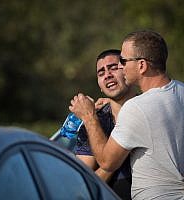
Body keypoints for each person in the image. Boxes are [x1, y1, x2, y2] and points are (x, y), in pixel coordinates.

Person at [69, 30, 184, 199]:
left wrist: (88, 116)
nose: (119, 68)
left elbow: (107, 161)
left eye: (121, 62)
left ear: (142, 66)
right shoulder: (180, 90)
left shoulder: (136, 108)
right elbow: (80, 182)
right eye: (101, 73)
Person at [74, 49, 136, 199]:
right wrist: (116, 155)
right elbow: (83, 185)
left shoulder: (152, 107)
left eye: (113, 68)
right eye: (101, 73)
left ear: (127, 71)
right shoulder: (93, 122)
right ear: (100, 86)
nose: (107, 75)